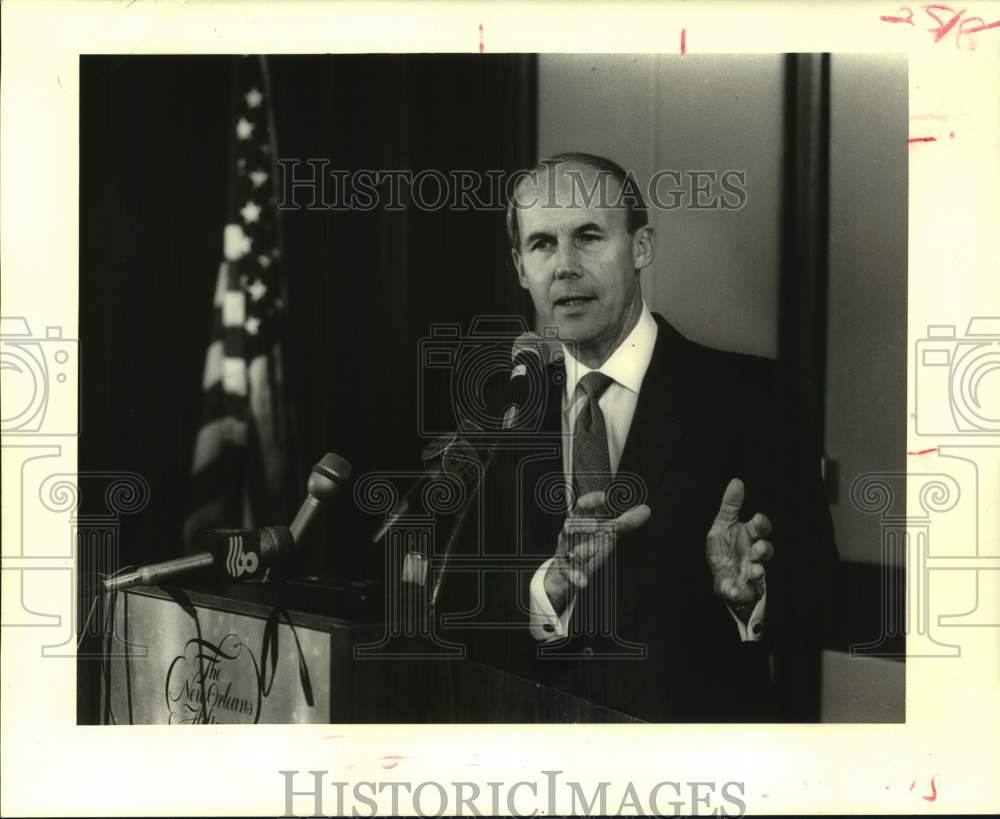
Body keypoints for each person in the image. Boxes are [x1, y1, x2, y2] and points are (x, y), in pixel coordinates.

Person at [460, 152, 839, 722]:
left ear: (641, 247)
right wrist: (547, 591)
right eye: (542, 244)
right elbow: (458, 607)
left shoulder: (752, 396)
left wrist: (751, 598)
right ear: (519, 267)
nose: (564, 266)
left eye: (588, 236)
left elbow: (823, 602)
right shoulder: (504, 412)